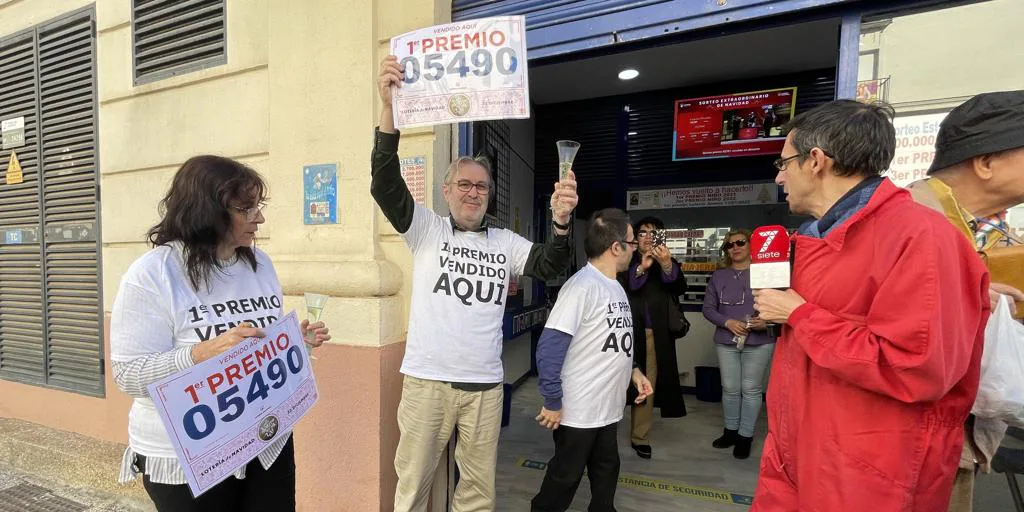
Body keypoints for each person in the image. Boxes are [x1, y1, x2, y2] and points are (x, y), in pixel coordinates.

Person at [751, 100, 990, 512]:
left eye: (783, 162)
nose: (778, 176)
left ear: (815, 161)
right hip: (798, 455)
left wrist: (800, 315)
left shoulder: (919, 237)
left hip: (870, 475)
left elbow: (916, 366)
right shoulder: (814, 240)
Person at [372, 56, 577, 511]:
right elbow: (385, 184)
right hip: (426, 383)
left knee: (477, 496)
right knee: (411, 489)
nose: (472, 192)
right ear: (446, 191)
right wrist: (388, 110)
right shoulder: (427, 230)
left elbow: (549, 264)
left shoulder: (505, 242)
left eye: (481, 187)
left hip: (484, 388)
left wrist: (561, 221)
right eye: (463, 184)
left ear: (489, 194)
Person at [110, 156, 332, 511]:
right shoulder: (153, 275)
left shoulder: (260, 265)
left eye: (258, 205)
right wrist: (199, 354)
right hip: (189, 455)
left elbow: (255, 345)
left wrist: (293, 344)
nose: (259, 217)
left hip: (265, 443)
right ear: (205, 211)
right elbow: (128, 375)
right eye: (245, 208)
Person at [904, 90, 1024, 511]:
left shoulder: (979, 229)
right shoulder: (908, 222)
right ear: (986, 161)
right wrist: (970, 296)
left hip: (955, 436)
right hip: (910, 445)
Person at [532, 208, 653, 512]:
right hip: (579, 411)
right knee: (564, 478)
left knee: (606, 471)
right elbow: (549, 348)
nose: (634, 250)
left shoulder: (615, 287)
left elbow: (613, 342)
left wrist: (635, 371)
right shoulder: (581, 287)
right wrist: (552, 400)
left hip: (607, 409)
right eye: (632, 243)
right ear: (616, 247)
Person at [702, 229, 775, 460]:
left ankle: (745, 436)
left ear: (751, 246)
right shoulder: (719, 276)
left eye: (740, 242)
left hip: (759, 341)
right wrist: (727, 321)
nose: (735, 248)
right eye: (729, 245)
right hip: (727, 340)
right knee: (730, 388)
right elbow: (708, 309)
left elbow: (780, 306)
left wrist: (767, 322)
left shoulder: (766, 274)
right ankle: (730, 432)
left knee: (751, 389)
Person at [620, 216, 688, 460]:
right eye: (643, 232)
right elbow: (630, 286)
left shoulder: (667, 261)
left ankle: (640, 436)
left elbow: (679, 287)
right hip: (622, 332)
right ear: (634, 238)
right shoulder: (624, 261)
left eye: (654, 233)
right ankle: (599, 428)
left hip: (652, 335)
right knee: (611, 383)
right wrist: (642, 267)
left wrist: (667, 264)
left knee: (645, 385)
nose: (648, 237)